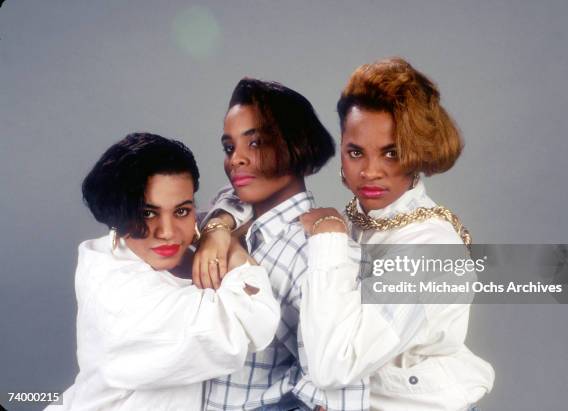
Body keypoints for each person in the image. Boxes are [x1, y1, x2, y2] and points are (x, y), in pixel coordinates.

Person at [298, 57, 495, 410]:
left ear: (416, 152)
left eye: (392, 153)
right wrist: (221, 224)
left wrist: (328, 243)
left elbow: (334, 365)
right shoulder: (355, 221)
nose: (370, 171)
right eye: (355, 152)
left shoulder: (431, 249)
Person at [46, 133, 280, 411]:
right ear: (117, 212)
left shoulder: (149, 246)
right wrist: (227, 243)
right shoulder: (118, 297)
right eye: (147, 213)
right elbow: (251, 319)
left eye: (181, 210)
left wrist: (216, 228)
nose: (167, 232)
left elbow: (238, 196)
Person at [194, 79, 368, 410]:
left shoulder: (314, 250)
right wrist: (218, 227)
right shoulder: (230, 219)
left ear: (295, 145)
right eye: (230, 148)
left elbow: (341, 389)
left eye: (255, 143)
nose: (236, 161)